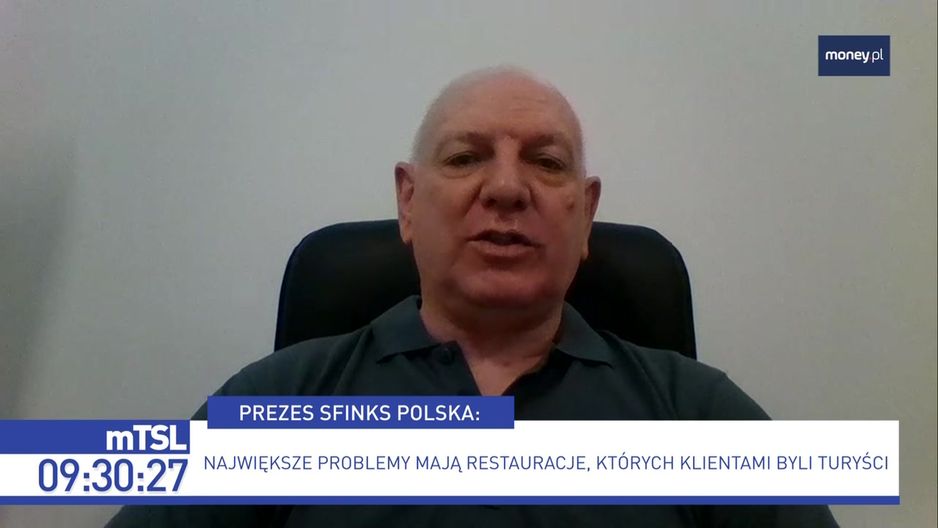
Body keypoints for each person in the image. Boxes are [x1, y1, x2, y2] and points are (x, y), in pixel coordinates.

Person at [108, 67, 838, 527]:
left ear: (585, 215)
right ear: (408, 200)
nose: (508, 188)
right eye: (465, 157)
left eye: (545, 162)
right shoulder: (275, 402)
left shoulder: (700, 415)